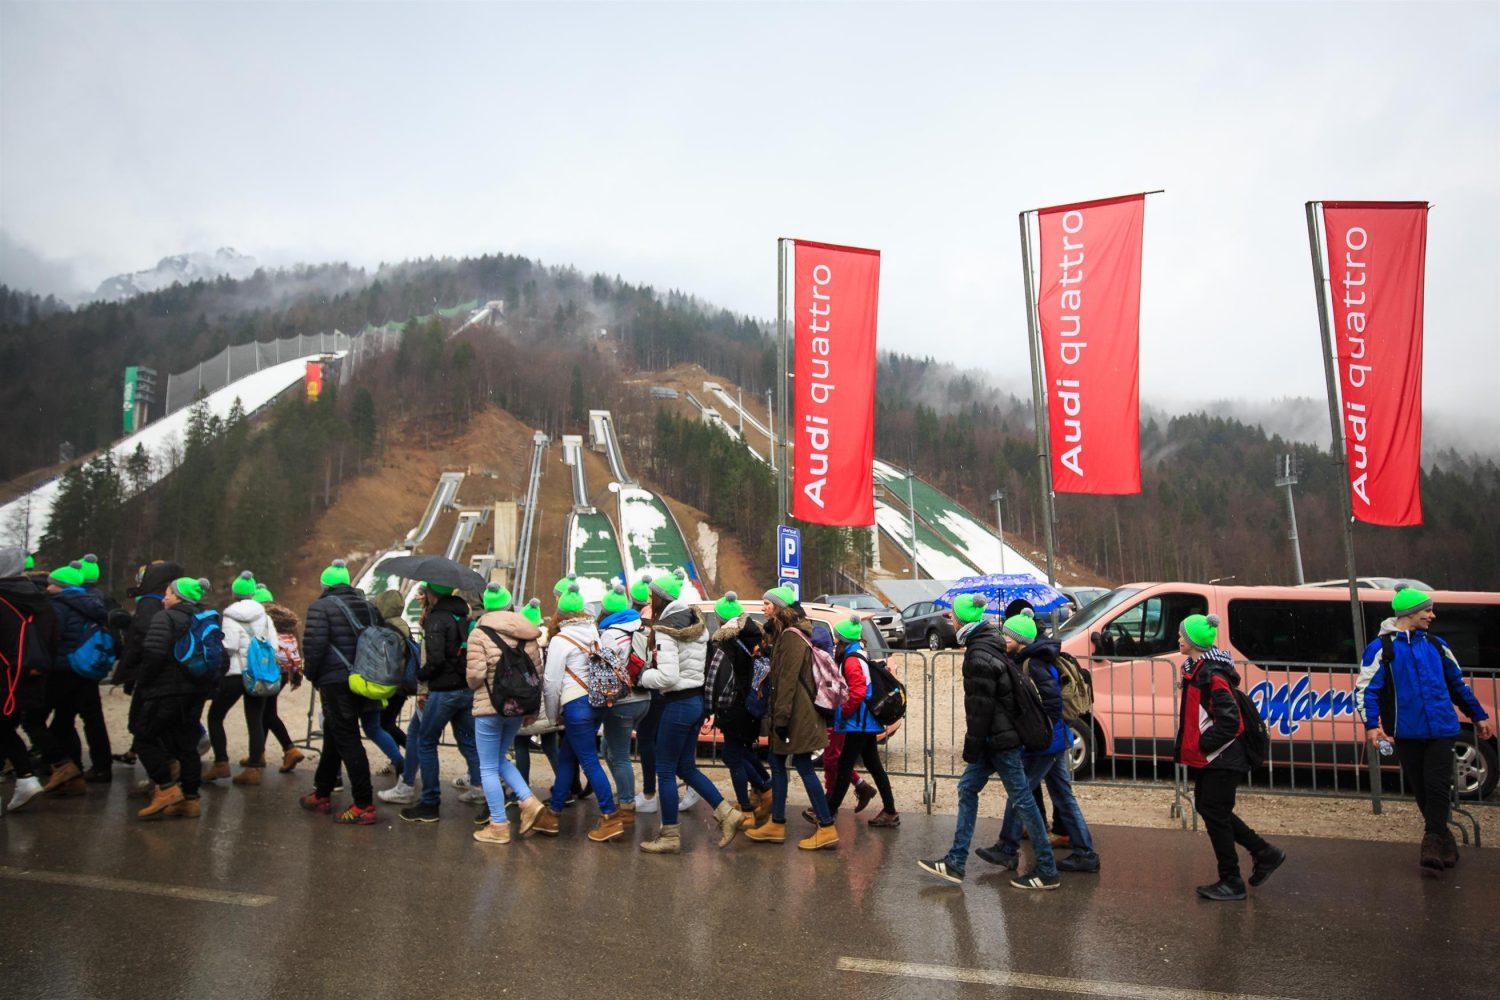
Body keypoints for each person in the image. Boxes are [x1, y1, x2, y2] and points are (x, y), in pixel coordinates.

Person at [918, 594, 1059, 889]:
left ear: (961, 621)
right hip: (996, 738)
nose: (950, 621)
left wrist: (972, 748)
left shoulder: (978, 654)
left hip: (998, 740)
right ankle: (956, 862)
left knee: (1022, 799)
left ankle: (1046, 868)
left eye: (953, 617)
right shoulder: (987, 643)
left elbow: (980, 709)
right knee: (968, 788)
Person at [1357, 585, 1493, 871]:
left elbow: (1458, 685)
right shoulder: (1382, 648)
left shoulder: (1436, 645)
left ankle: (1431, 842)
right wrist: (1372, 725)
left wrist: (1478, 715)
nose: (1432, 615)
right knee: (1421, 790)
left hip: (1442, 729)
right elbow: (1367, 690)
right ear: (1409, 613)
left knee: (1437, 786)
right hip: (1406, 731)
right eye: (1427, 610)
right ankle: (1446, 842)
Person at [974, 610, 1099, 873]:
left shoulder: (1035, 664)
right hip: (1052, 740)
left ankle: (1008, 849)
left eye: (1007, 636)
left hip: (1045, 743)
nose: (1003, 639)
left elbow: (1051, 704)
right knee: (1062, 795)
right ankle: (1085, 852)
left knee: (1020, 793)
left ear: (1019, 640)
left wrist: (1040, 736)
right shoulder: (1029, 659)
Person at [629, 570, 740, 853]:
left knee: (665, 770)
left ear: (657, 598)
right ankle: (726, 813)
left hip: (677, 703)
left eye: (652, 596)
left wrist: (642, 676)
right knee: (685, 767)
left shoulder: (666, 630)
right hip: (695, 702)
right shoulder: (695, 623)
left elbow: (666, 677)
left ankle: (669, 835)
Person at [1174, 612, 1283, 901]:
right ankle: (1264, 853)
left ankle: (1232, 879)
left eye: (1182, 635)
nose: (1179, 639)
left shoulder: (1212, 674)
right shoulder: (1197, 670)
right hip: (1215, 758)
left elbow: (1230, 721)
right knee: (1211, 810)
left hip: (1222, 758)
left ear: (1195, 642)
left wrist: (1204, 745)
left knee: (1214, 813)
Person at [746, 586, 835, 850]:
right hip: (793, 713)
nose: (763, 608)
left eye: (767, 604)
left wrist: (780, 719)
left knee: (804, 766)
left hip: (797, 715)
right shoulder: (784, 633)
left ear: (779, 608)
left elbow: (786, 682)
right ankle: (777, 822)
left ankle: (827, 826)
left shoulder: (792, 637)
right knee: (777, 761)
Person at [532, 584, 621, 842]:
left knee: (589, 761)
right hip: (595, 704)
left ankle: (610, 816)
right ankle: (554, 813)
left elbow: (551, 683)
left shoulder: (560, 640)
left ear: (560, 613)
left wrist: (551, 715)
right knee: (568, 759)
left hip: (575, 706)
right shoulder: (593, 631)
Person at [299, 559, 381, 825]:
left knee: (347, 739)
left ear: (325, 585)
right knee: (335, 735)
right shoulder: (369, 607)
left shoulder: (320, 607)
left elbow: (314, 646)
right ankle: (322, 791)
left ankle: (363, 804)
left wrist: (311, 673)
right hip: (363, 680)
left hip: (336, 681)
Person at [467, 582, 547, 844]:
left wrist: (477, 681)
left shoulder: (479, 634)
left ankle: (499, 825)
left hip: (489, 706)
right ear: (510, 604)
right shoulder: (527, 632)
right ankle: (529, 801)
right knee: (500, 758)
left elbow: (476, 676)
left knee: (488, 766)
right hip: (518, 707)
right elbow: (538, 672)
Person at [134, 577, 216, 819]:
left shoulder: (165, 617)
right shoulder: (204, 619)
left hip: (166, 689)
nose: (164, 598)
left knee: (144, 738)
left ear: (179, 596)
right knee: (186, 744)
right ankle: (191, 799)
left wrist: (144, 682)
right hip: (195, 690)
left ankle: (166, 788)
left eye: (168, 593)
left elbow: (153, 653)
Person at [401, 581, 483, 823]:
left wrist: (421, 676)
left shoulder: (438, 619)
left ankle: (430, 802)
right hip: (464, 689)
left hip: (444, 690)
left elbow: (436, 660)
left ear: (431, 594)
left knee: (426, 742)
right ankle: (482, 790)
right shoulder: (464, 617)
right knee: (468, 741)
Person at [824, 615, 899, 827]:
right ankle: (890, 811)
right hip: (864, 721)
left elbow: (858, 691)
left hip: (859, 722)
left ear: (843, 640)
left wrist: (845, 712)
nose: (835, 642)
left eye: (837, 638)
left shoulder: (851, 659)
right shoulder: (856, 654)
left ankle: (828, 812)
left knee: (844, 765)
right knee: (873, 766)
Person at [44, 560, 112, 792]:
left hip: (64, 668)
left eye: (51, 583)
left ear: (58, 585)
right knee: (88, 718)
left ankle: (67, 765)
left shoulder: (57, 605)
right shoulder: (95, 602)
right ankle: (100, 767)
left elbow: (52, 638)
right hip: (87, 666)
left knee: (49, 719)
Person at [208, 571, 281, 786]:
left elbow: (229, 646)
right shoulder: (265, 617)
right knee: (255, 720)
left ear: (234, 594)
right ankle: (254, 768)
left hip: (234, 674)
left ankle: (221, 762)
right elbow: (274, 646)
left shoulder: (230, 616)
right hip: (258, 674)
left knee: (215, 716)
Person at [707, 591, 772, 828]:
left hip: (734, 707)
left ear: (720, 618)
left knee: (732, 756)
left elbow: (715, 678)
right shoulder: (754, 634)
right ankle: (763, 787)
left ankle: (748, 805)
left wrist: (710, 706)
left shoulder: (724, 643)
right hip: (753, 704)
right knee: (741, 751)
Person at [115, 560, 183, 784]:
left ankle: (164, 782)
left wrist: (128, 674)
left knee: (141, 728)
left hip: (152, 676)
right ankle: (170, 776)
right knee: (163, 727)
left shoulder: (148, 604)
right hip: (173, 677)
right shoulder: (180, 606)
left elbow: (141, 641)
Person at [1, 569, 59, 812]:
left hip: (5, 673)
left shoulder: (4, 598)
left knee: (3, 729)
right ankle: (26, 776)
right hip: (30, 676)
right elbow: (53, 638)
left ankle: (26, 777)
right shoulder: (40, 600)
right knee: (6, 728)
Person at [597, 582, 651, 828]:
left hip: (622, 701)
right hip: (644, 698)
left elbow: (605, 671)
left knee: (618, 755)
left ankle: (627, 805)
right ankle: (624, 792)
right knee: (609, 749)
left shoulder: (610, 633)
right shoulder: (640, 627)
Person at [255, 587, 305, 773]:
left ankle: (289, 749)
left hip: (268, 669)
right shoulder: (286, 618)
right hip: (285, 671)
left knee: (266, 712)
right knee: (267, 710)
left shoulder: (262, 618)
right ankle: (258, 753)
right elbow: (298, 648)